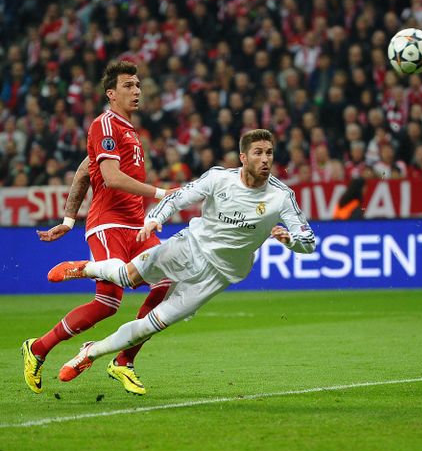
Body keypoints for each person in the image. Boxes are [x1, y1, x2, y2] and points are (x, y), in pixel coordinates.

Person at [47, 129, 316, 383]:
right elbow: (179, 199)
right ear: (243, 158)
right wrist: (154, 219)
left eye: (269, 152)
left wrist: (290, 240)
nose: (265, 159)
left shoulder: (281, 197)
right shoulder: (219, 178)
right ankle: (84, 268)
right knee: (126, 276)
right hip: (188, 247)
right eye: (258, 152)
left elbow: (309, 242)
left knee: (149, 326)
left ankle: (89, 353)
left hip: (218, 275)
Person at [23, 61, 174, 396]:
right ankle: (79, 272)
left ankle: (122, 361)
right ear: (111, 93)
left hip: (136, 226)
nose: (136, 91)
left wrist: (67, 220)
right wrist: (162, 193)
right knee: (109, 302)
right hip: (109, 224)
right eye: (128, 86)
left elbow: (82, 172)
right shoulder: (104, 124)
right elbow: (108, 177)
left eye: (138, 85)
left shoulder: (129, 130)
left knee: (167, 281)